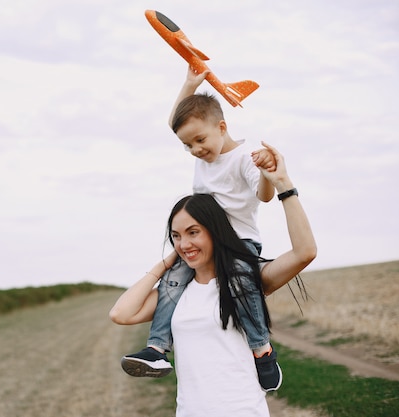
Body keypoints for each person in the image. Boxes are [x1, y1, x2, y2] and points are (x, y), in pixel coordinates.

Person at [110, 143, 316, 416]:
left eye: (193, 232)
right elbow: (121, 313)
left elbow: (305, 252)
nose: (184, 243)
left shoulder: (247, 282)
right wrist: (164, 264)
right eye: (176, 236)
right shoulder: (176, 293)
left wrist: (284, 186)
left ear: (215, 231)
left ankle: (264, 355)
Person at [120, 67, 281, 391]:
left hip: (239, 243)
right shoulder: (203, 153)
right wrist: (190, 84)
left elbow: (264, 196)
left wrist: (266, 171)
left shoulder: (242, 160)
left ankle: (261, 349)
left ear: (222, 127)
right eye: (187, 145)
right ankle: (156, 349)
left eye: (200, 141)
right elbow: (176, 124)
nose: (195, 150)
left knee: (239, 280)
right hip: (205, 243)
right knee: (174, 280)